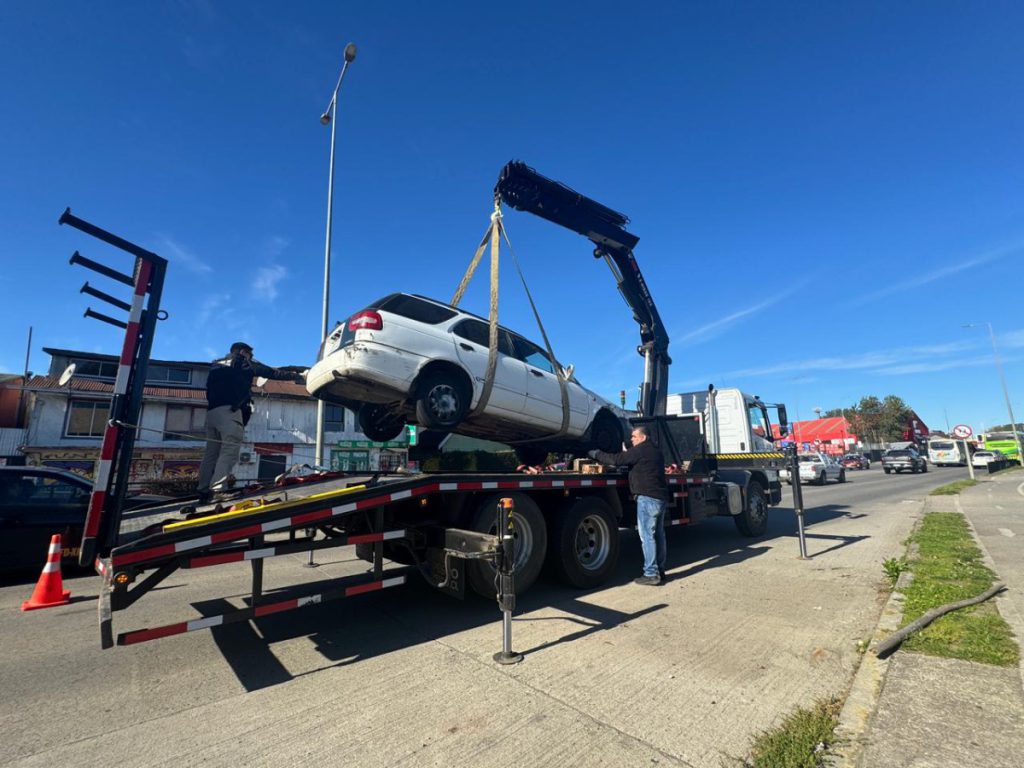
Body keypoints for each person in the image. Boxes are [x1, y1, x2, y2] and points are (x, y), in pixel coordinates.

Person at [196, 342, 305, 503]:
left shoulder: (216, 363)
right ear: (242, 352)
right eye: (250, 354)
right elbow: (271, 372)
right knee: (229, 450)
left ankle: (203, 489)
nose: (252, 357)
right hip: (229, 413)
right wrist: (297, 376)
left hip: (212, 412)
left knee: (211, 453)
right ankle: (217, 490)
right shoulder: (242, 362)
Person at [588, 425, 670, 585]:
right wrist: (628, 453)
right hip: (660, 497)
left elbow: (616, 460)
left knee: (647, 536)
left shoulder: (641, 450)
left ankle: (651, 573)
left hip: (647, 497)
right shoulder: (656, 451)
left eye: (634, 436)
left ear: (643, 437)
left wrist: (596, 453)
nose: (631, 439)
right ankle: (660, 569)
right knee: (658, 535)